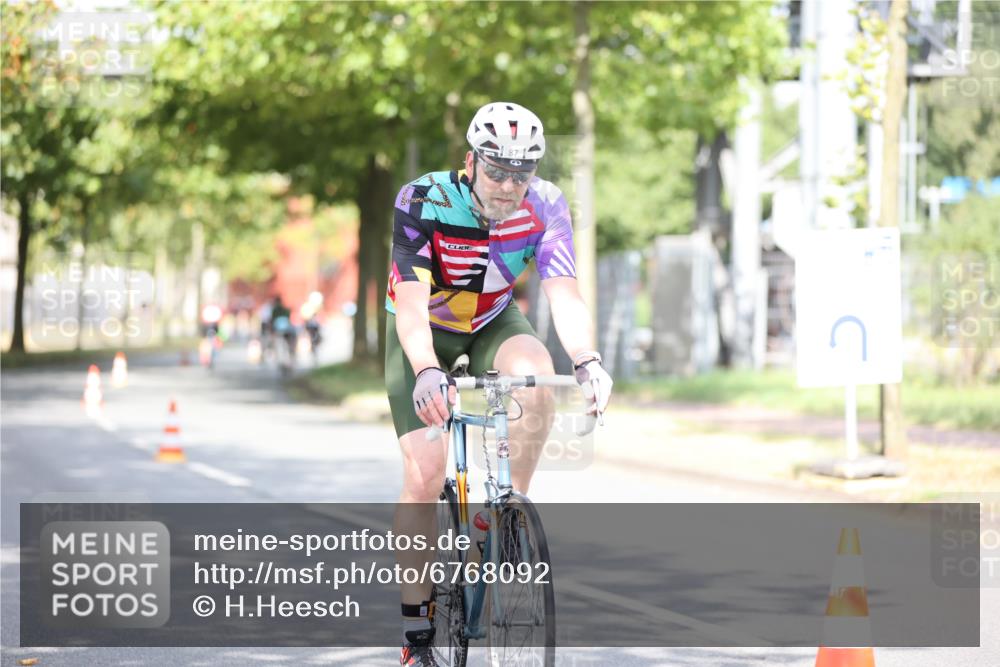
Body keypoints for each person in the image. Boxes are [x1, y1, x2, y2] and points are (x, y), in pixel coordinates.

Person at [385, 101, 614, 666]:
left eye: (522, 172)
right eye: (497, 171)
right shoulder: (423, 200)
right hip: (425, 331)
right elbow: (410, 304)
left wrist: (587, 359)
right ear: (471, 162)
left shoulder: (547, 205)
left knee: (536, 375)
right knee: (425, 473)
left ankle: (509, 510)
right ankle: (417, 628)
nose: (510, 186)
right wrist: (426, 372)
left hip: (491, 321)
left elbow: (564, 293)